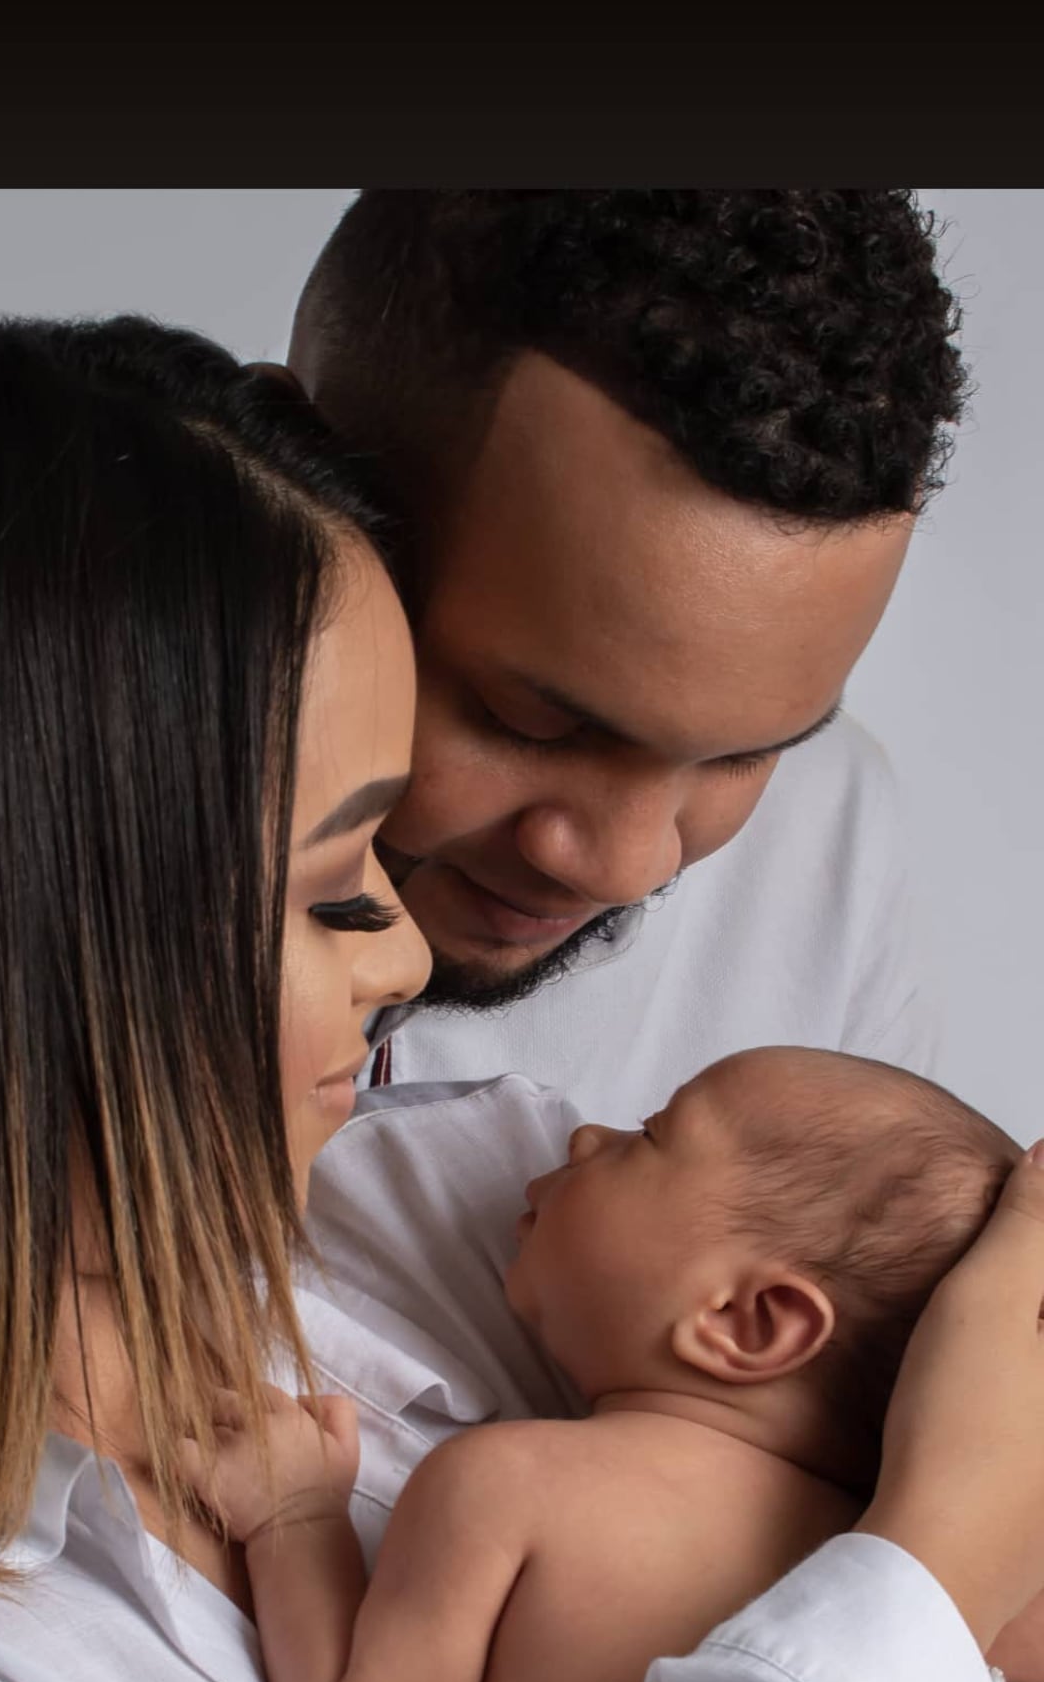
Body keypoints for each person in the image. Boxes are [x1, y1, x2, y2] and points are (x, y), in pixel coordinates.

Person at [0, 312, 1039, 1682]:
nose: (408, 954)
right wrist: (926, 1570)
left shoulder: (482, 1192)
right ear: (12, 938)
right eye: (338, 889)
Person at [185, 1047, 1022, 1682]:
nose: (585, 1137)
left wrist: (293, 1516)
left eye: (651, 1134)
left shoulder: (513, 1483)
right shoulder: (882, 1579)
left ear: (746, 1322)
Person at [288, 191, 962, 1118]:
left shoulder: (830, 846)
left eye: (745, 754)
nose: (625, 867)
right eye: (532, 725)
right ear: (285, 487)